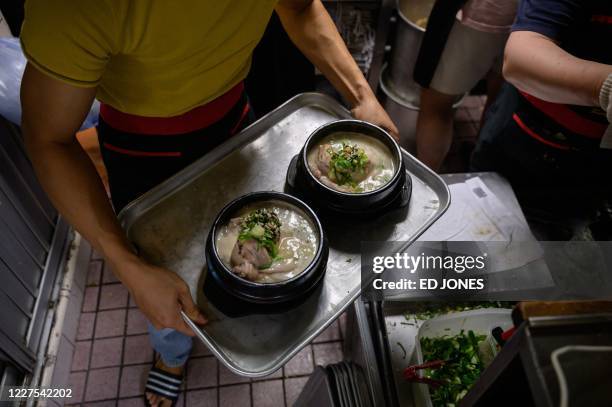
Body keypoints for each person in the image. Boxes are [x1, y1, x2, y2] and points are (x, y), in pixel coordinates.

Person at [18, 1, 398, 405]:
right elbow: (48, 138)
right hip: (142, 152)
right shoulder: (76, 9)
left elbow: (300, 9)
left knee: (245, 255)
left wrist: (362, 96)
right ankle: (171, 356)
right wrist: (125, 264)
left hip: (237, 122)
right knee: (165, 291)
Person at [471, 0, 612, 219]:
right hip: (530, 136)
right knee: (488, 222)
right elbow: (519, 57)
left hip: (598, 159)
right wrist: (606, 86)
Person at [414, 0, 518, 171]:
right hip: (529, 21)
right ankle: (479, 163)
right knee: (498, 100)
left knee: (436, 105)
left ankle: (426, 182)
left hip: (481, 13)